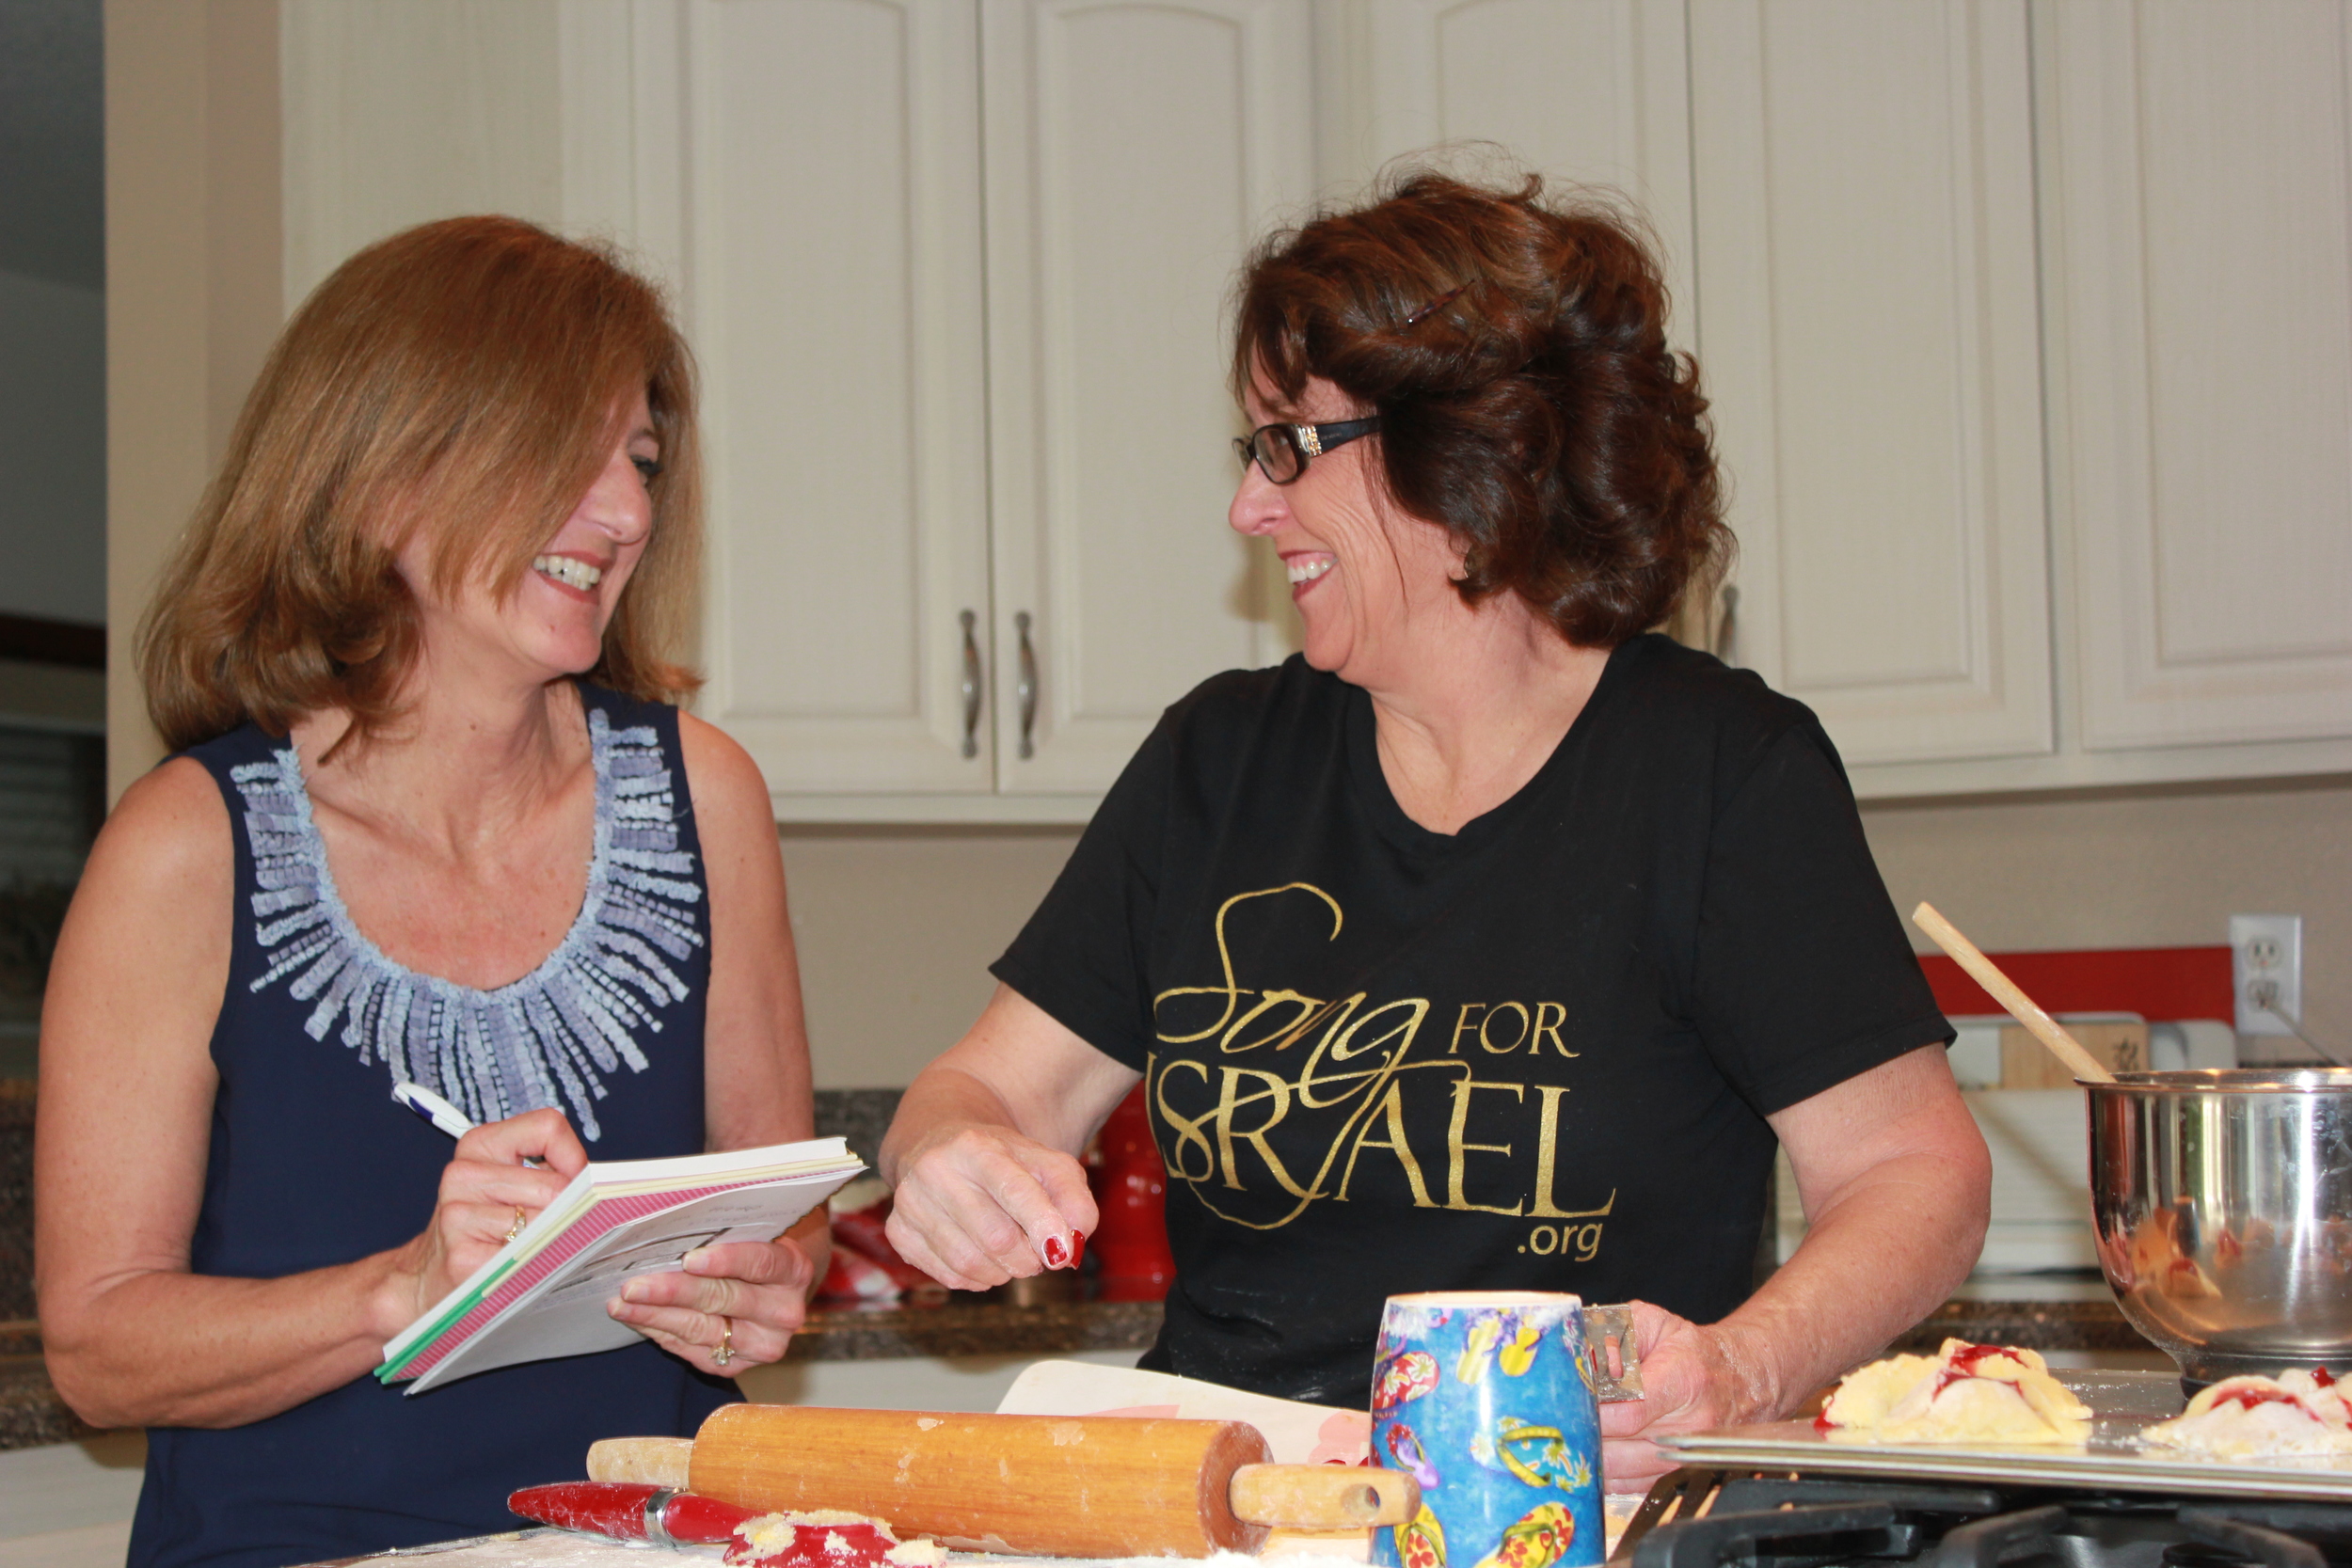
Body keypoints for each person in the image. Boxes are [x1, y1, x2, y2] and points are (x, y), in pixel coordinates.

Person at [880, 172, 1991, 1485]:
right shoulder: (1220, 762)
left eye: (1288, 444)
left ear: (1469, 459)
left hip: (1556, 1513)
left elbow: (1919, 1175)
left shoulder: (1714, 772)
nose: (1250, 506)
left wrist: (1743, 1367)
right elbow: (987, 1091)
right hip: (1229, 1507)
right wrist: (948, 1156)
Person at [34, 216, 827, 1568]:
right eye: (566, 453)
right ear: (382, 470)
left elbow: (782, 1211)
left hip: (662, 1542)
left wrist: (769, 1285)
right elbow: (101, 1351)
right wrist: (402, 1289)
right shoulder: (183, 849)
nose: (629, 511)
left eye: (638, 460)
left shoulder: (711, 798)